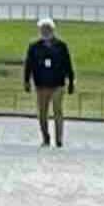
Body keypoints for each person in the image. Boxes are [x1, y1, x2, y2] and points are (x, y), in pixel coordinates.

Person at [22, 17, 75, 148]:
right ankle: (45, 137)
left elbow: (68, 64)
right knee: (42, 113)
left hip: (58, 84)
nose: (45, 31)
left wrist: (71, 81)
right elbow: (28, 65)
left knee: (58, 111)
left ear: (52, 30)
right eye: (43, 29)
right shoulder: (34, 47)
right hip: (41, 85)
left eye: (48, 29)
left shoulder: (61, 46)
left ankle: (59, 139)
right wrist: (26, 81)